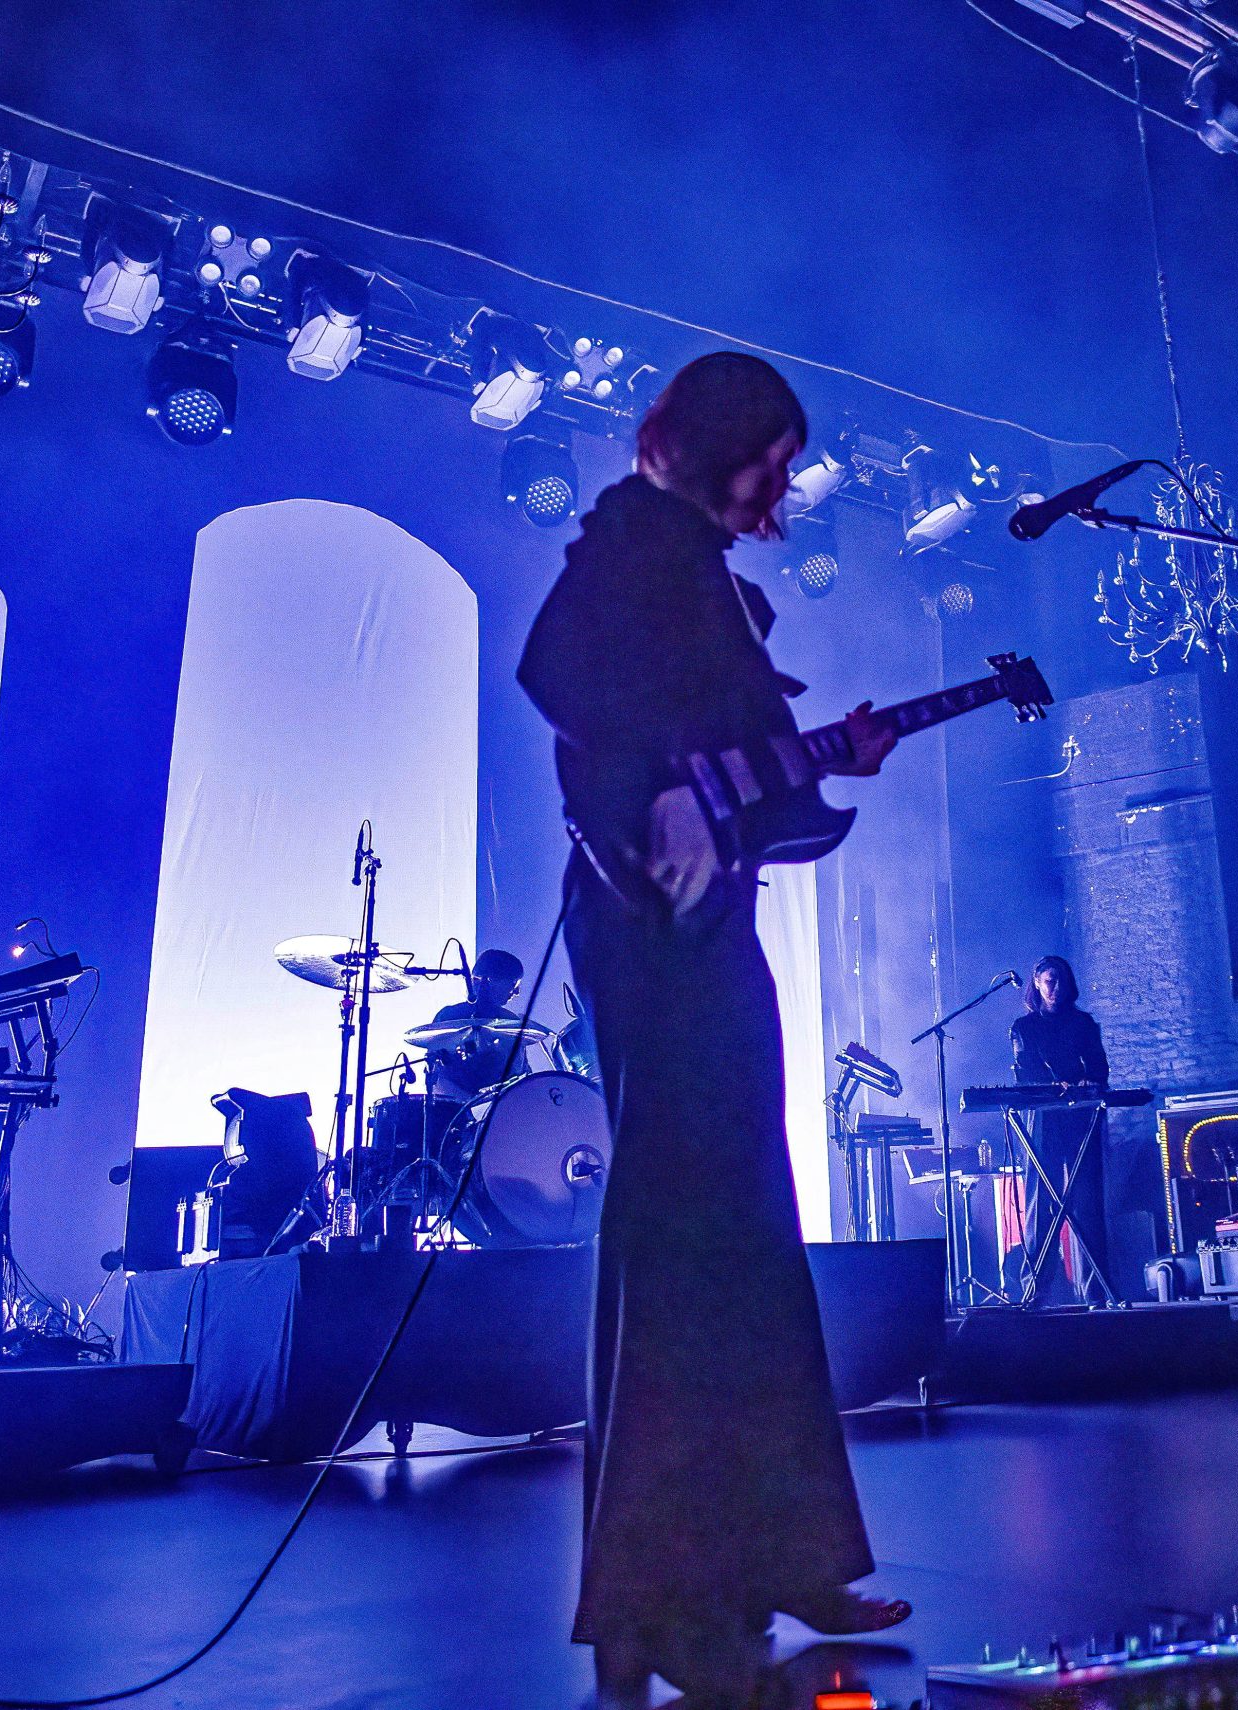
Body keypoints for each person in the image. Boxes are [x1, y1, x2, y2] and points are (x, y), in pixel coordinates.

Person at [517, 352, 907, 1706]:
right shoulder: (639, 538)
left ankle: (778, 1557)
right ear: (711, 444)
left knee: (744, 1228)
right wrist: (658, 800)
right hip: (645, 931)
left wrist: (812, 761)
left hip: (703, 931)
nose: (779, 486)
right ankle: (657, 1598)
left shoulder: (706, 578)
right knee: (687, 1235)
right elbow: (558, 671)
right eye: (771, 457)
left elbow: (738, 775)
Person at [1008, 955, 1114, 1306]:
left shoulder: (1084, 1024)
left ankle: (1096, 1292)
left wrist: (1085, 1083)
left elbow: (1100, 1068)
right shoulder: (1024, 1028)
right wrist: (1059, 1086)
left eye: (1060, 981)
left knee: (1088, 1203)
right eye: (1048, 981)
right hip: (1044, 1120)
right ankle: (1036, 1292)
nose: (1054, 988)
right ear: (1036, 983)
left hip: (1081, 1117)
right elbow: (1026, 1074)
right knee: (1041, 1207)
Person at [423, 947, 531, 1100]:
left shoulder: (513, 1023)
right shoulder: (448, 1017)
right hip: (457, 1108)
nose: (516, 991)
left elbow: (522, 1073)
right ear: (491, 981)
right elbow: (435, 1071)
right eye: (513, 983)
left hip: (504, 1109)